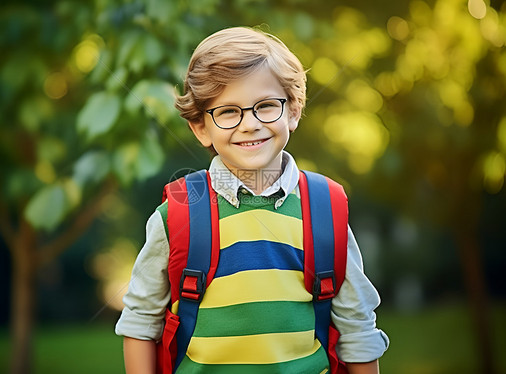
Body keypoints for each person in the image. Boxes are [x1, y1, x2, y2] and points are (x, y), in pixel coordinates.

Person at [115, 26, 389, 374]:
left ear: (292, 111)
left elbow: (357, 328)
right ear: (201, 127)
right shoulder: (178, 215)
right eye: (229, 111)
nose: (250, 124)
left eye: (266, 106)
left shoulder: (324, 211)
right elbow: (141, 322)